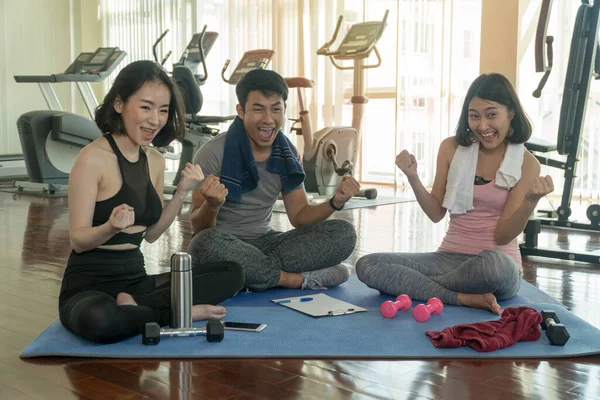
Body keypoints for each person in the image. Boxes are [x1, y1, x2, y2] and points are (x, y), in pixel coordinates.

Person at [59, 60, 244, 343]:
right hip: (89, 286)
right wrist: (110, 226)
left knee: (232, 273)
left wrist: (181, 192)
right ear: (119, 104)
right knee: (99, 319)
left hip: (136, 282)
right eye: (146, 107)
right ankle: (175, 314)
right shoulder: (92, 159)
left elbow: (153, 234)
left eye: (163, 110)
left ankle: (136, 309)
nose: (155, 120)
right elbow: (78, 241)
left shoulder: (154, 160)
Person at [356, 73, 554, 315]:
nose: (482, 126)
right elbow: (436, 212)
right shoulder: (450, 148)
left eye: (492, 114)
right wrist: (412, 176)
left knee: (495, 266)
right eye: (474, 116)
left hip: (496, 267)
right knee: (369, 264)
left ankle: (419, 286)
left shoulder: (526, 162)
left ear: (511, 112)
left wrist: (529, 203)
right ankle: (461, 298)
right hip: (448, 258)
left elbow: (503, 237)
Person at [187, 68, 358, 292]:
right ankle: (295, 280)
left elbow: (299, 216)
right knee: (203, 244)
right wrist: (212, 205)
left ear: (284, 109)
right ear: (241, 111)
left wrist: (335, 202)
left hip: (266, 244)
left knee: (343, 232)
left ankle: (250, 275)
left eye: (275, 109)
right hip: (222, 243)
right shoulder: (212, 153)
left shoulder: (287, 154)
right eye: (258, 109)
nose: (268, 119)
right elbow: (199, 228)